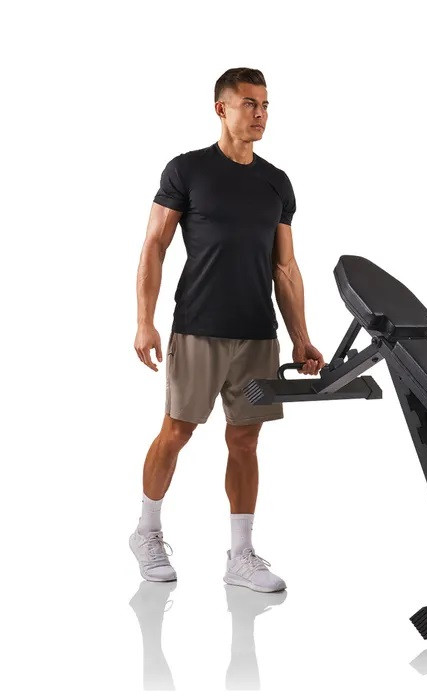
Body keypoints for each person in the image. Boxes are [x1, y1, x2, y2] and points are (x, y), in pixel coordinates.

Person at [130, 67, 325, 592]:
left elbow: (285, 267)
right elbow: (154, 245)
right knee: (177, 431)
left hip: (258, 333)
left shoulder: (276, 182)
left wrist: (301, 337)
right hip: (198, 327)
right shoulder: (188, 170)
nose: (260, 114)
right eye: (249, 104)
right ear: (222, 108)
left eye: (265, 104)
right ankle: (147, 531)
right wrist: (145, 322)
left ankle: (241, 555)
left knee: (244, 440)